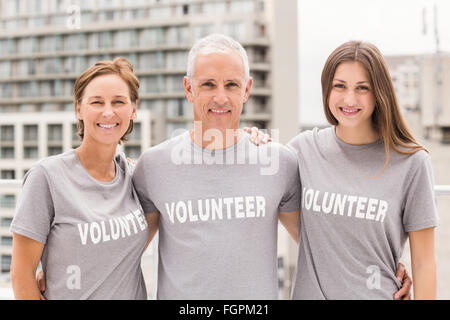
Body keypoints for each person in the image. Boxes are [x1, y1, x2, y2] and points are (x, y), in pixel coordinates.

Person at [132, 34, 302, 299]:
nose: (220, 97)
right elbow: (120, 253)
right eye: (209, 84)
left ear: (246, 89)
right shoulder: (153, 166)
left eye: (231, 85)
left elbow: (318, 248)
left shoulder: (279, 163)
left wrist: (391, 262)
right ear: (189, 89)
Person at [286, 41, 439, 299]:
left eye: (362, 88)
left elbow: (424, 264)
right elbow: (283, 208)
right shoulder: (303, 150)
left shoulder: (412, 163)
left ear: (379, 93)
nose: (349, 99)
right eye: (340, 86)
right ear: (327, 89)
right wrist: (252, 138)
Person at [10, 58, 151, 299]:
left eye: (119, 102)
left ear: (133, 109)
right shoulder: (47, 177)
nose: (108, 111)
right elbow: (21, 275)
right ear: (79, 109)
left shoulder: (136, 176)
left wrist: (240, 140)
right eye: (97, 102)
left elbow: (154, 217)